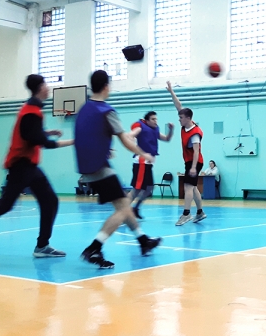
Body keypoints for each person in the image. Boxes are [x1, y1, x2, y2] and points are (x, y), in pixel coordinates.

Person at [0, 74, 73, 262]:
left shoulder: (31, 109)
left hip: (30, 167)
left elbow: (31, 134)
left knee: (50, 200)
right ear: (40, 88)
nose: (48, 88)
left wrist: (46, 132)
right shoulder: (31, 112)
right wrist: (73, 141)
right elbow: (43, 143)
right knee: (5, 205)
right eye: (46, 85)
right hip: (21, 166)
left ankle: (42, 246)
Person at [74, 70, 162, 269]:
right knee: (123, 209)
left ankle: (143, 241)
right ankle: (94, 248)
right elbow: (125, 140)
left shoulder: (84, 109)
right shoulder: (106, 111)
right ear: (106, 86)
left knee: (123, 203)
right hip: (100, 167)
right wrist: (144, 154)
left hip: (87, 166)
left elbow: (87, 135)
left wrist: (103, 148)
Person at [166, 81, 207, 226]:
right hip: (189, 161)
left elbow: (196, 151)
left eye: (181, 118)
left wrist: (194, 167)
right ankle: (200, 212)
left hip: (195, 161)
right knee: (193, 188)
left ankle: (186, 214)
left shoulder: (195, 133)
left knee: (188, 187)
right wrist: (171, 91)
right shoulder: (186, 124)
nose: (179, 120)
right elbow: (179, 106)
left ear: (188, 118)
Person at [128, 111, 174, 220]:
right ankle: (122, 211)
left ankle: (135, 208)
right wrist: (131, 138)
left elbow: (167, 139)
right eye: (153, 119)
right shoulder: (141, 127)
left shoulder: (155, 129)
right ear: (147, 121)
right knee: (136, 189)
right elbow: (131, 135)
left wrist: (171, 130)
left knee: (149, 188)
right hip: (141, 162)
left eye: (156, 119)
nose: (155, 121)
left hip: (148, 164)